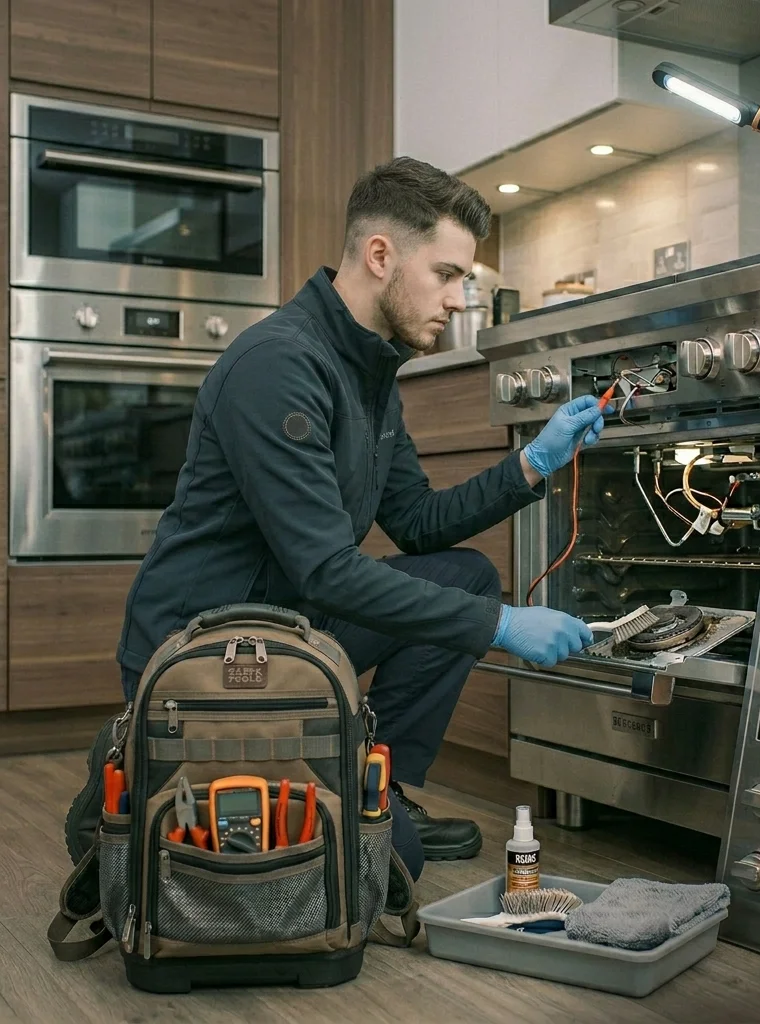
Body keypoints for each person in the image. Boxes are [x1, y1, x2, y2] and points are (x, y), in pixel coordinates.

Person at [68, 156, 608, 883]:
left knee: (466, 577)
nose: (456, 299)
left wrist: (533, 466)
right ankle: (140, 763)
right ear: (381, 255)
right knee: (387, 868)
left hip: (294, 625)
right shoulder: (278, 364)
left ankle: (376, 781)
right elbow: (326, 568)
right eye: (446, 274)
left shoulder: (372, 371)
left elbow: (416, 522)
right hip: (206, 651)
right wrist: (501, 628)